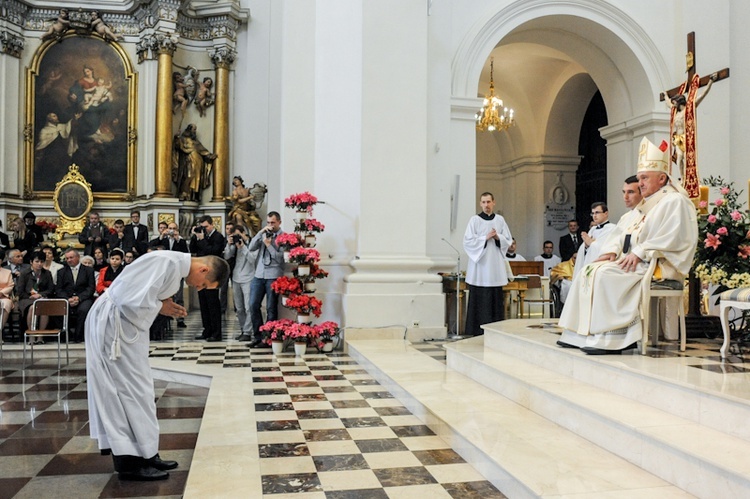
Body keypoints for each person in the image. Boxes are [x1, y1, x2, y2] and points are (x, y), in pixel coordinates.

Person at [85, 251, 228, 481]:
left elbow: (143, 295)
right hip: (113, 327)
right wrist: (160, 306)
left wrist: (161, 303)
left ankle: (146, 452)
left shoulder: (173, 268)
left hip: (126, 328)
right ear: (203, 269)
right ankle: (129, 462)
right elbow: (125, 298)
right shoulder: (166, 262)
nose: (198, 288)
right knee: (125, 391)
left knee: (140, 389)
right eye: (203, 285)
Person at [557, 137, 698, 354]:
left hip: (659, 264)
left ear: (661, 178)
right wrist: (611, 251)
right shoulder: (646, 205)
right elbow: (622, 234)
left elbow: (673, 236)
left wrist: (640, 252)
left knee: (605, 276)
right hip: (638, 262)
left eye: (644, 178)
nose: (640, 183)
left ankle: (617, 338)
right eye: (639, 178)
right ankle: (578, 333)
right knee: (589, 269)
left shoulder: (673, 201)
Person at [463, 192, 513, 336]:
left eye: (489, 202)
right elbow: (468, 242)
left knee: (495, 299)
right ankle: (476, 330)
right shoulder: (474, 220)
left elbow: (508, 240)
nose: (486, 205)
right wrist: (485, 238)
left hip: (495, 267)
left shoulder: (500, 220)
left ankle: (496, 331)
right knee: (479, 298)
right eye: (483, 202)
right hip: (480, 268)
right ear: (480, 204)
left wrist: (498, 237)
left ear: (494, 203)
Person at [664, 73, 716, 182]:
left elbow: (703, 95)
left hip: (687, 137)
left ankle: (688, 178)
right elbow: (668, 103)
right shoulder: (676, 112)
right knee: (679, 158)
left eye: (674, 103)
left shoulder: (689, 109)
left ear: (679, 102)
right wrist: (665, 96)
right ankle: (683, 179)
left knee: (687, 158)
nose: (673, 105)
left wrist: (710, 82)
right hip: (678, 138)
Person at [248, 211, 285, 348]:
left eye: (273, 223)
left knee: (271, 308)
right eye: (268, 223)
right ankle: (258, 337)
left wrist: (269, 245)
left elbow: (280, 258)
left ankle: (269, 339)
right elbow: (251, 247)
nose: (270, 225)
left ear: (279, 222)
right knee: (253, 305)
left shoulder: (283, 237)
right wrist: (260, 232)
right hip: (259, 274)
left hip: (273, 275)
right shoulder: (264, 234)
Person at [190, 215, 225, 341]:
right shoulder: (200, 236)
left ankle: (216, 333)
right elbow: (192, 249)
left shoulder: (218, 237)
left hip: (212, 274)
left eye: (205, 227)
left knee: (213, 304)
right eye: (202, 227)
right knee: (203, 303)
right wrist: (195, 237)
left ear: (212, 225)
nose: (204, 229)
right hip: (200, 274)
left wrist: (203, 240)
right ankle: (207, 330)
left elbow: (213, 252)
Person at [56, 248, 97, 343]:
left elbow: (90, 288)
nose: (69, 260)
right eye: (67, 258)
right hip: (67, 299)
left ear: (78, 257)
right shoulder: (61, 272)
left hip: (83, 298)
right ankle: (67, 335)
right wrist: (68, 299)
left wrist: (79, 298)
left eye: (71, 257)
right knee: (61, 309)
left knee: (83, 310)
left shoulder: (88, 270)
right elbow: (59, 289)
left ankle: (79, 336)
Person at [224, 225, 257, 341]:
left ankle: (248, 332)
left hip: (249, 277)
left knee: (248, 307)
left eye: (239, 234)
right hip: (236, 277)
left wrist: (243, 247)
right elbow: (227, 256)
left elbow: (253, 259)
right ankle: (244, 330)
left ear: (244, 232)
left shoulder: (253, 243)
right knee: (239, 308)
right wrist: (229, 244)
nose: (238, 237)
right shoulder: (235, 244)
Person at [172, 124, 216, 202]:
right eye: (194, 129)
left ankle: (194, 196)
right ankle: (185, 193)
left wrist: (209, 156)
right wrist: (176, 137)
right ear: (189, 129)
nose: (195, 131)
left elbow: (202, 150)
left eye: (195, 129)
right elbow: (178, 146)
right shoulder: (183, 139)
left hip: (198, 163)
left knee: (197, 179)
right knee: (189, 176)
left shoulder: (195, 141)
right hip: (188, 162)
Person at [572, 202, 617, 279]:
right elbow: (585, 249)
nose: (594, 216)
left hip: (601, 267)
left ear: (606, 213)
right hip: (588, 265)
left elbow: (610, 250)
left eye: (597, 213)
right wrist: (585, 246)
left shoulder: (613, 229)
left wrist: (591, 243)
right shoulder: (592, 229)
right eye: (592, 213)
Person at [16, 251, 55, 335]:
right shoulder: (24, 274)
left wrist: (41, 294)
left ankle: (40, 334)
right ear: (31, 262)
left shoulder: (47, 273)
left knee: (43, 306)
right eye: (37, 261)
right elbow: (20, 290)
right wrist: (31, 296)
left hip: (42, 298)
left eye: (41, 262)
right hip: (27, 299)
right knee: (33, 307)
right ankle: (31, 333)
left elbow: (51, 289)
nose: (39, 264)